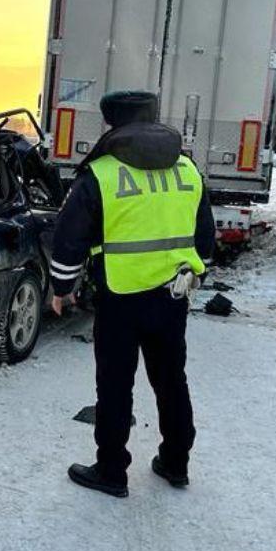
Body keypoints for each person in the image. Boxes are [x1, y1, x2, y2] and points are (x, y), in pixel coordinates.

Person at [50, 90, 216, 497]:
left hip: (120, 297)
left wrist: (62, 288)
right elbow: (205, 240)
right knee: (171, 380)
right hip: (173, 297)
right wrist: (196, 275)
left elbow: (69, 239)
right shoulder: (188, 170)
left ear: (112, 125)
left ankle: (111, 471)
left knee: (114, 385)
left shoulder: (102, 174)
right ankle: (176, 463)